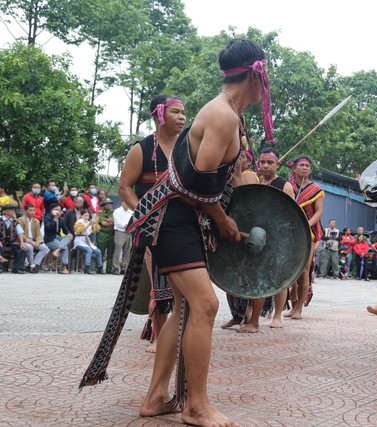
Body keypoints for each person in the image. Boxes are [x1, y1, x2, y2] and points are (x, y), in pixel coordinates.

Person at [81, 38, 273, 427]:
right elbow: (200, 183)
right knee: (205, 306)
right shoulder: (223, 115)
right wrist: (223, 221)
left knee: (187, 309)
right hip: (174, 219)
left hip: (183, 218)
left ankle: (156, 398)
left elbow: (218, 177)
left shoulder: (230, 115)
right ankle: (196, 406)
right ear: (256, 74)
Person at [118, 93, 186, 352]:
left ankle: (180, 334)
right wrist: (146, 214)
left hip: (182, 226)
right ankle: (160, 337)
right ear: (159, 115)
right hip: (153, 230)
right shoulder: (141, 149)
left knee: (186, 286)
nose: (182, 118)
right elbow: (125, 187)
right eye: (175, 112)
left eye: (183, 113)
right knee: (161, 285)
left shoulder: (187, 148)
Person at [224, 147, 295, 331]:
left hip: (273, 238)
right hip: (252, 235)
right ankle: (242, 316)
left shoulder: (284, 185)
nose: (265, 165)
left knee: (264, 278)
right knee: (247, 277)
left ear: (277, 164)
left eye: (269, 162)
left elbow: (291, 216)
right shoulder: (254, 180)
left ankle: (260, 320)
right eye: (262, 162)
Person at [286, 155, 324, 320]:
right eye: (301, 165)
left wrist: (306, 224)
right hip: (290, 233)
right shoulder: (288, 187)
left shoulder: (316, 189)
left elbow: (319, 212)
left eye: (307, 166)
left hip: (308, 233)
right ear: (294, 168)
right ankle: (293, 304)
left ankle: (299, 308)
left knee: (304, 271)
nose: (304, 168)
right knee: (291, 272)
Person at [17, 203, 50, 273]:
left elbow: (38, 234)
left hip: (34, 240)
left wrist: (38, 241)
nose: (32, 212)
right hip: (24, 241)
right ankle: (31, 264)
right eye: (30, 210)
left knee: (44, 248)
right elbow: (21, 234)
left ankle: (33, 265)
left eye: (34, 210)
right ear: (25, 211)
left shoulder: (37, 221)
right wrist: (30, 241)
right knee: (30, 247)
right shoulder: (20, 220)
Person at [43, 202, 71, 274]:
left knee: (68, 237)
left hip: (58, 237)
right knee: (65, 248)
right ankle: (64, 267)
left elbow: (66, 230)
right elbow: (49, 227)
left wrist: (69, 233)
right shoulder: (47, 218)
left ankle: (57, 250)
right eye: (56, 209)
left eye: (59, 210)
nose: (58, 211)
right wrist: (55, 219)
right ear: (52, 211)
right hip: (49, 239)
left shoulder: (61, 219)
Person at [73, 209, 104, 274]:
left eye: (87, 215)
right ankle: (87, 267)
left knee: (98, 251)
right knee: (89, 250)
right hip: (79, 240)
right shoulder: (79, 222)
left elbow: (96, 230)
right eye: (85, 215)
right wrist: (88, 225)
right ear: (81, 216)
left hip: (87, 240)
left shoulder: (88, 222)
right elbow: (80, 232)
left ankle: (100, 268)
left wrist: (96, 222)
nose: (86, 217)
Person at [0, 204, 27, 274]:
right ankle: (1, 268)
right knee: (1, 247)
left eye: (13, 210)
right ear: (5, 211)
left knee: (21, 249)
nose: (13, 211)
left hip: (12, 242)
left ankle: (17, 268)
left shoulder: (15, 221)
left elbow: (20, 233)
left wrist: (22, 243)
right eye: (11, 210)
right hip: (1, 241)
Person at [112, 200, 133, 275]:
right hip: (120, 232)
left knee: (127, 250)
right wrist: (126, 225)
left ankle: (124, 267)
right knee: (118, 250)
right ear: (122, 202)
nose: (127, 204)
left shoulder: (131, 212)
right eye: (125, 202)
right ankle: (115, 267)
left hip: (129, 232)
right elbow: (117, 222)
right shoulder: (117, 211)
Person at [97, 198, 115, 274]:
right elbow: (103, 223)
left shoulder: (114, 213)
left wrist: (111, 222)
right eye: (107, 204)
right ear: (103, 205)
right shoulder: (100, 213)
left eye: (110, 203)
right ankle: (99, 269)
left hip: (112, 235)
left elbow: (116, 222)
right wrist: (112, 222)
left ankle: (109, 269)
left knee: (111, 253)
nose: (109, 205)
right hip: (103, 234)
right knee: (101, 252)